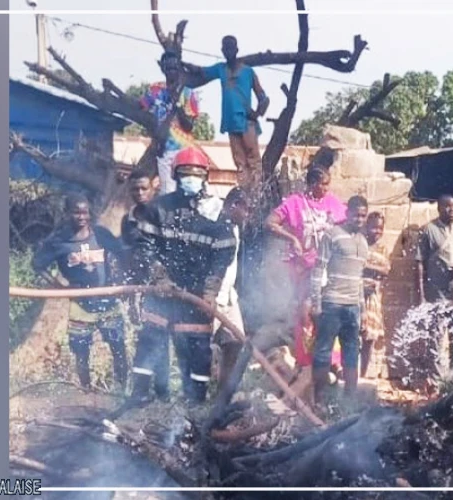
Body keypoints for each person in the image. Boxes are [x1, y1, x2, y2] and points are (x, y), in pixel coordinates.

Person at [127, 148, 237, 405]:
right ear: (176, 176)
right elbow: (144, 246)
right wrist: (158, 277)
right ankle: (141, 397)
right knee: (150, 342)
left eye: (196, 174)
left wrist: (210, 291)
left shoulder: (216, 215)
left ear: (205, 176)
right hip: (162, 293)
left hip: (196, 297)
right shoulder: (158, 209)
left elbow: (223, 254)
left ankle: (195, 403)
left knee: (197, 349)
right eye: (186, 173)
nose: (191, 178)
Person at [32, 194, 129, 390]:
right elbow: (37, 264)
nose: (81, 217)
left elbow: (122, 253)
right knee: (81, 351)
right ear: (67, 213)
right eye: (76, 212)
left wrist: (120, 278)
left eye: (84, 212)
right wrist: (61, 288)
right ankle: (86, 390)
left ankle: (122, 390)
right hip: (80, 305)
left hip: (107, 301)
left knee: (118, 348)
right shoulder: (58, 241)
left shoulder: (101, 235)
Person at [266, 167, 348, 371]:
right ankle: (306, 361)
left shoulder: (332, 203)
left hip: (328, 269)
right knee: (306, 313)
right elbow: (270, 223)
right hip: (303, 268)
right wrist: (292, 238)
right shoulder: (295, 202)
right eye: (322, 184)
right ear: (311, 184)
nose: (326, 188)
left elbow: (347, 224)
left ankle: (331, 361)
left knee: (328, 312)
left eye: (328, 184)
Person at [186, 35, 270, 191]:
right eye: (226, 48)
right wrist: (183, 64)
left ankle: (257, 192)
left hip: (246, 121)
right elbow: (202, 71)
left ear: (236, 50)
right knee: (239, 161)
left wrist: (257, 113)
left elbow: (263, 97)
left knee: (253, 160)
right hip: (231, 122)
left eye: (231, 48)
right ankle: (245, 193)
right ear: (222, 51)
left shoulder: (248, 72)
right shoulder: (221, 69)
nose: (228, 51)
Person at [309, 196, 371, 403]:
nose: (360, 219)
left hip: (353, 307)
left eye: (363, 215)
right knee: (323, 352)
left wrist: (362, 312)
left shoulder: (363, 242)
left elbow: (360, 279)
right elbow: (318, 269)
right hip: (332, 303)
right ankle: (319, 401)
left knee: (352, 354)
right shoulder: (332, 235)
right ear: (347, 213)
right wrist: (316, 303)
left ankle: (348, 404)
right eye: (356, 214)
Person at [415, 194, 453, 367]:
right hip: (437, 292)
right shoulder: (428, 230)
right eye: (447, 206)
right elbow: (419, 262)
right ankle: (435, 381)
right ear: (439, 208)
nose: (452, 210)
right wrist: (421, 294)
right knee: (435, 338)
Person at [141, 50, 204, 196]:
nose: (171, 72)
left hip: (185, 150)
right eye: (168, 68)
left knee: (188, 192)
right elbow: (141, 110)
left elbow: (189, 126)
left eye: (175, 68)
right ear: (162, 68)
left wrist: (178, 104)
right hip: (165, 150)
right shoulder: (155, 90)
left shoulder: (188, 93)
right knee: (167, 194)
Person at [214, 187, 251, 380]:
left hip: (229, 297)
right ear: (233, 205)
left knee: (236, 341)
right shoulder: (216, 226)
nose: (247, 215)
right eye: (245, 210)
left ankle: (223, 390)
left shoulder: (235, 227)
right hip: (214, 296)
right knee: (201, 344)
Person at [360, 212, 390, 379]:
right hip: (357, 295)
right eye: (373, 227)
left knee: (369, 339)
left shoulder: (383, 249)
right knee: (353, 336)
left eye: (380, 228)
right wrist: (371, 267)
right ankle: (349, 376)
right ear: (366, 226)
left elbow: (385, 269)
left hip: (373, 298)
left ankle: (362, 376)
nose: (377, 231)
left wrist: (367, 266)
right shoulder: (360, 244)